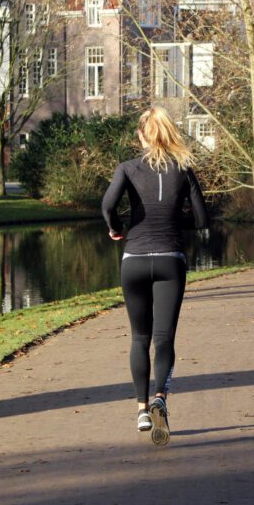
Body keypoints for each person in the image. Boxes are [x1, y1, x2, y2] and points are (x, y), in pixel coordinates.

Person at [101, 107, 209, 445]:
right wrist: (175, 224)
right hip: (170, 260)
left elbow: (106, 207)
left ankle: (142, 410)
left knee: (138, 338)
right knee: (163, 340)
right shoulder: (184, 169)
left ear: (143, 136)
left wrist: (117, 229)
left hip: (134, 259)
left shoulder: (128, 168)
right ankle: (161, 397)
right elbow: (204, 220)